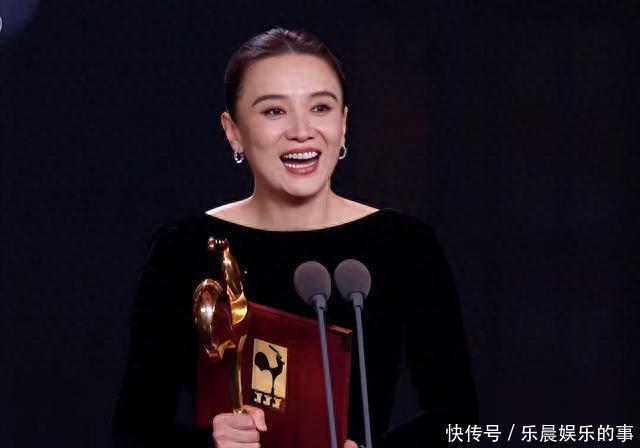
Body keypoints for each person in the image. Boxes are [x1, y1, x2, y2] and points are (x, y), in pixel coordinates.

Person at [112, 27, 478, 448]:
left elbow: (458, 417)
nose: (302, 131)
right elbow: (134, 429)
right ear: (233, 131)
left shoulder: (404, 245)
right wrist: (212, 443)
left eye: (320, 107)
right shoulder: (184, 248)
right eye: (274, 111)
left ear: (343, 123)